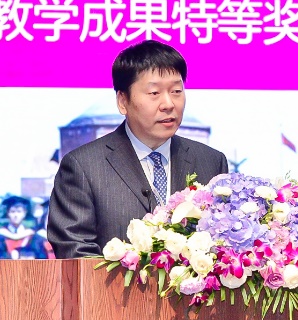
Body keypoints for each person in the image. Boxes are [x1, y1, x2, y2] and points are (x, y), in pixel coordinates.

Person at [47, 41, 229, 258]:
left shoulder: (211, 162)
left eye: (176, 91)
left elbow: (223, 244)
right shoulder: (83, 166)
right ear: (123, 101)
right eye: (154, 93)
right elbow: (75, 251)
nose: (168, 104)